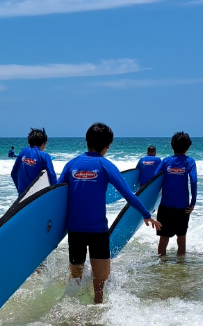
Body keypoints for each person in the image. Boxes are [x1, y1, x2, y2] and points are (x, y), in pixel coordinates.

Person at [59, 123, 161, 304]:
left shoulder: (71, 164)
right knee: (101, 281)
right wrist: (146, 214)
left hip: (75, 231)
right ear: (107, 146)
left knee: (75, 278)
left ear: (87, 141)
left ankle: (71, 313)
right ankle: (97, 310)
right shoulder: (105, 165)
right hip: (98, 231)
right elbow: (129, 195)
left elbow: (57, 195)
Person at [154, 132, 197, 257]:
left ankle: (161, 265)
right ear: (188, 147)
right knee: (181, 238)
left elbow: (155, 179)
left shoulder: (166, 161)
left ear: (172, 146)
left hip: (165, 206)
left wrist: (151, 203)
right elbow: (193, 181)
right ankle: (180, 267)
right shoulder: (190, 161)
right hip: (182, 207)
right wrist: (193, 202)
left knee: (163, 238)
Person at [11, 127, 57, 194]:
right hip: (37, 197)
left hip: (22, 196)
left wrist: (19, 190)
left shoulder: (22, 152)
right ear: (44, 143)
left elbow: (13, 173)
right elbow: (52, 178)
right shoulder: (44, 156)